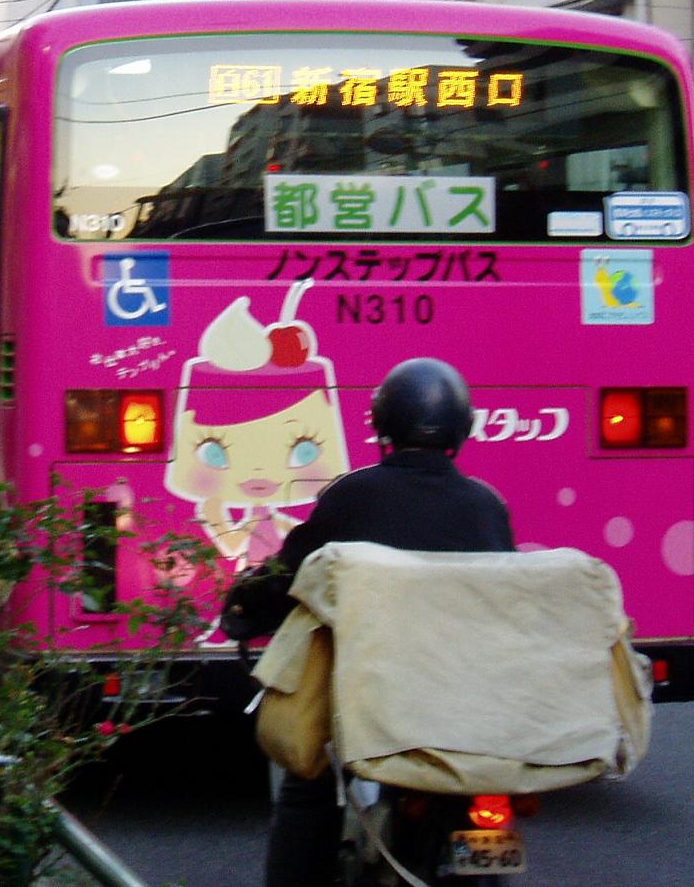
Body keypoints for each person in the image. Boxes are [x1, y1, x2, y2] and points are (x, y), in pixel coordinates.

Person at [221, 357, 515, 887]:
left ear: (383, 426)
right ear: (463, 428)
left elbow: (292, 576)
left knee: (307, 782)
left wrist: (247, 607)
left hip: (375, 705)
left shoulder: (352, 496)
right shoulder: (487, 507)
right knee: (490, 812)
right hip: (470, 711)